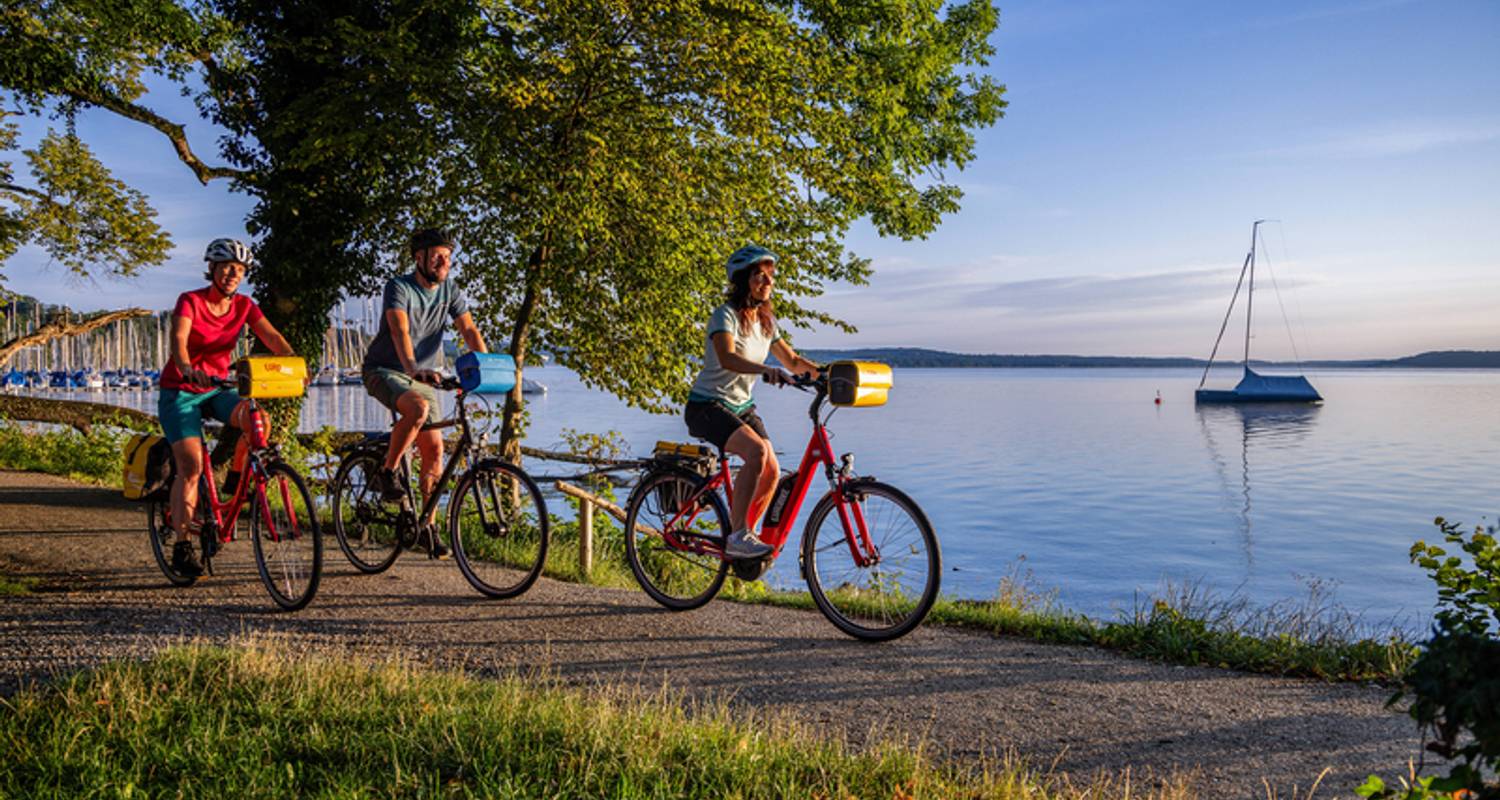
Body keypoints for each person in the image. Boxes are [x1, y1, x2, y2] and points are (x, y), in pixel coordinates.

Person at [158, 238, 297, 577]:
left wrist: (295, 364)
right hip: (182, 391)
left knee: (256, 419)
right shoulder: (190, 300)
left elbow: (273, 337)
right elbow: (179, 340)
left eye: (240, 269)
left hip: (218, 389)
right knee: (190, 467)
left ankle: (234, 483)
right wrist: (188, 367)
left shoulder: (244, 306)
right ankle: (182, 544)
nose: (234, 273)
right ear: (213, 269)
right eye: (227, 267)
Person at [685, 245, 819, 559]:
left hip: (741, 407)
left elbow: (793, 360)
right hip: (707, 406)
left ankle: (746, 534)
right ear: (744, 279)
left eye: (771, 276)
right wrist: (767, 370)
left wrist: (825, 374)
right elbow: (728, 357)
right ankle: (738, 535)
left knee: (772, 471)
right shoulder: (725, 315)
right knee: (756, 452)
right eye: (761, 276)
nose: (768, 282)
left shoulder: (766, 322)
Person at [361, 227, 488, 557]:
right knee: (416, 410)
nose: (443, 261)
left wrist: (487, 366)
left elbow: (469, 329)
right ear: (419, 258)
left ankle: (426, 527)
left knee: (434, 452)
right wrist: (413, 367)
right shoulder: (399, 287)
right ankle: (388, 472)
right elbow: (399, 329)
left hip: (423, 377)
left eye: (447, 256)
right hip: (385, 370)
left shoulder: (450, 289)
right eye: (436, 255)